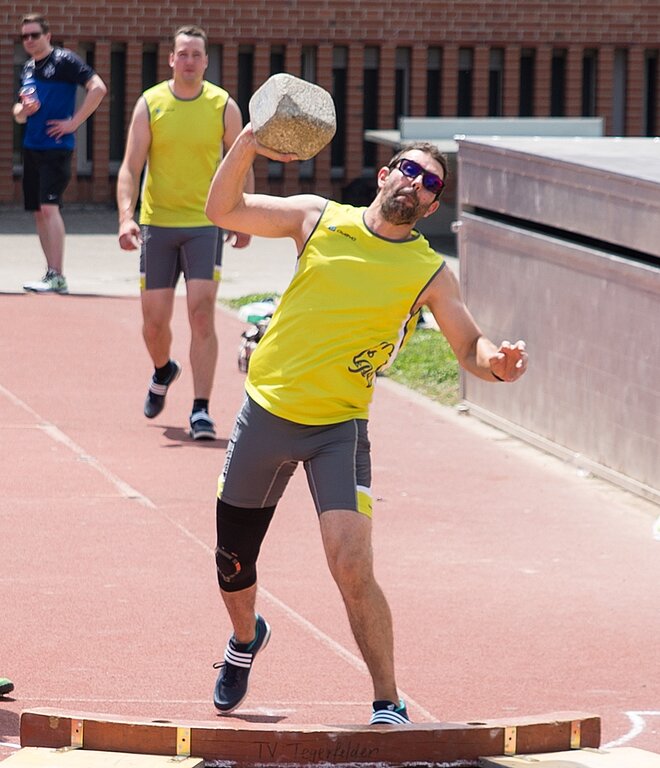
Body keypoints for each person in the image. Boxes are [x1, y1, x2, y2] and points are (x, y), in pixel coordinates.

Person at [205, 129, 528, 724]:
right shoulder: (316, 218)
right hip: (266, 413)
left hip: (339, 428)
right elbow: (222, 209)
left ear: (432, 206)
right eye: (409, 170)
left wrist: (497, 366)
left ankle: (388, 700)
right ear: (384, 175)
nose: (416, 183)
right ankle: (246, 638)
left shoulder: (428, 271)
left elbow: (469, 345)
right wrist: (248, 141)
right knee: (232, 562)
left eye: (431, 182)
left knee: (352, 565)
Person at [117, 25, 253, 441]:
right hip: (158, 224)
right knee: (154, 324)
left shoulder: (223, 106)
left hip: (204, 224)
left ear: (206, 61)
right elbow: (130, 167)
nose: (189, 60)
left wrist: (243, 215)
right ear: (172, 59)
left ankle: (201, 409)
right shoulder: (151, 103)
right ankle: (163, 370)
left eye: (197, 54)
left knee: (201, 310)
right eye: (183, 54)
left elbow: (240, 163)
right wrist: (126, 216)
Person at [12, 13, 107, 294]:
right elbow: (18, 115)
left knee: (50, 207)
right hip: (32, 146)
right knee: (39, 212)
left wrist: (73, 123)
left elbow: (98, 88)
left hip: (56, 148)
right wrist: (23, 111)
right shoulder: (27, 68)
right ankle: (49, 272)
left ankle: (58, 274)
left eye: (35, 35)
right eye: (25, 36)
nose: (29, 40)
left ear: (48, 36)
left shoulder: (64, 60)